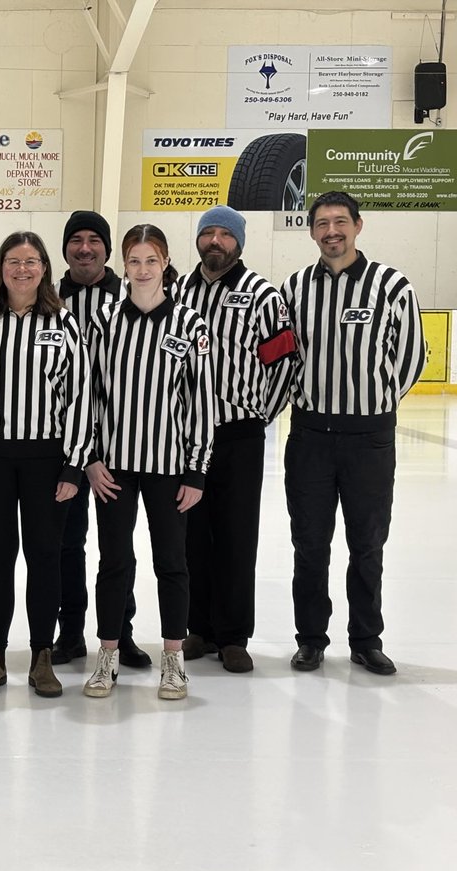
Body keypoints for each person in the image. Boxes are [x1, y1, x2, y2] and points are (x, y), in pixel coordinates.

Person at [281, 191, 425, 676]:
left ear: (358, 226)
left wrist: (373, 403)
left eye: (340, 221)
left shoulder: (392, 286)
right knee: (310, 543)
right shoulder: (294, 288)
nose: (331, 231)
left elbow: (410, 359)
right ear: (312, 231)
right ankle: (311, 639)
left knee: (367, 543)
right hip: (310, 436)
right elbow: (283, 355)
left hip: (368, 438)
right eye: (322, 223)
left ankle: (365, 638)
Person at [0, 232, 93, 698]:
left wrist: (73, 467)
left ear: (45, 268)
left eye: (32, 261)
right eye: (14, 261)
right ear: (0, 267)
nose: (22, 270)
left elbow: (79, 398)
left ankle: (41, 655)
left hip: (47, 460)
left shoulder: (64, 324)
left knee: (45, 557)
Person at [81, 224, 214, 701]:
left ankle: (173, 659)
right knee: (114, 561)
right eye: (133, 261)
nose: (141, 270)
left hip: (169, 467)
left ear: (165, 263)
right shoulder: (102, 321)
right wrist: (91, 458)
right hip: (114, 467)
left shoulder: (190, 324)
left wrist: (196, 469)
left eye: (150, 261)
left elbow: (201, 401)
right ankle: (108, 655)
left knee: (172, 563)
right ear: (123, 265)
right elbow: (87, 396)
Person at [173, 206, 296, 674]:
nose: (216, 241)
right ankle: (198, 628)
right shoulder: (177, 290)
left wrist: (260, 414)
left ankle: (233, 635)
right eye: (209, 233)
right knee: (191, 537)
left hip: (237, 434)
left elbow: (284, 359)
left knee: (236, 535)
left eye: (226, 234)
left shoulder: (261, 294)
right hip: (184, 437)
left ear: (239, 243)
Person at [55, 212, 150, 669]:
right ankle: (70, 631)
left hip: (121, 445)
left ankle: (120, 631)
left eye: (95, 240)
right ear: (65, 249)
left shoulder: (129, 293)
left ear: (109, 250)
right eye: (76, 240)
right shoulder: (48, 298)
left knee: (118, 547)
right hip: (65, 446)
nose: (85, 248)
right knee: (66, 543)